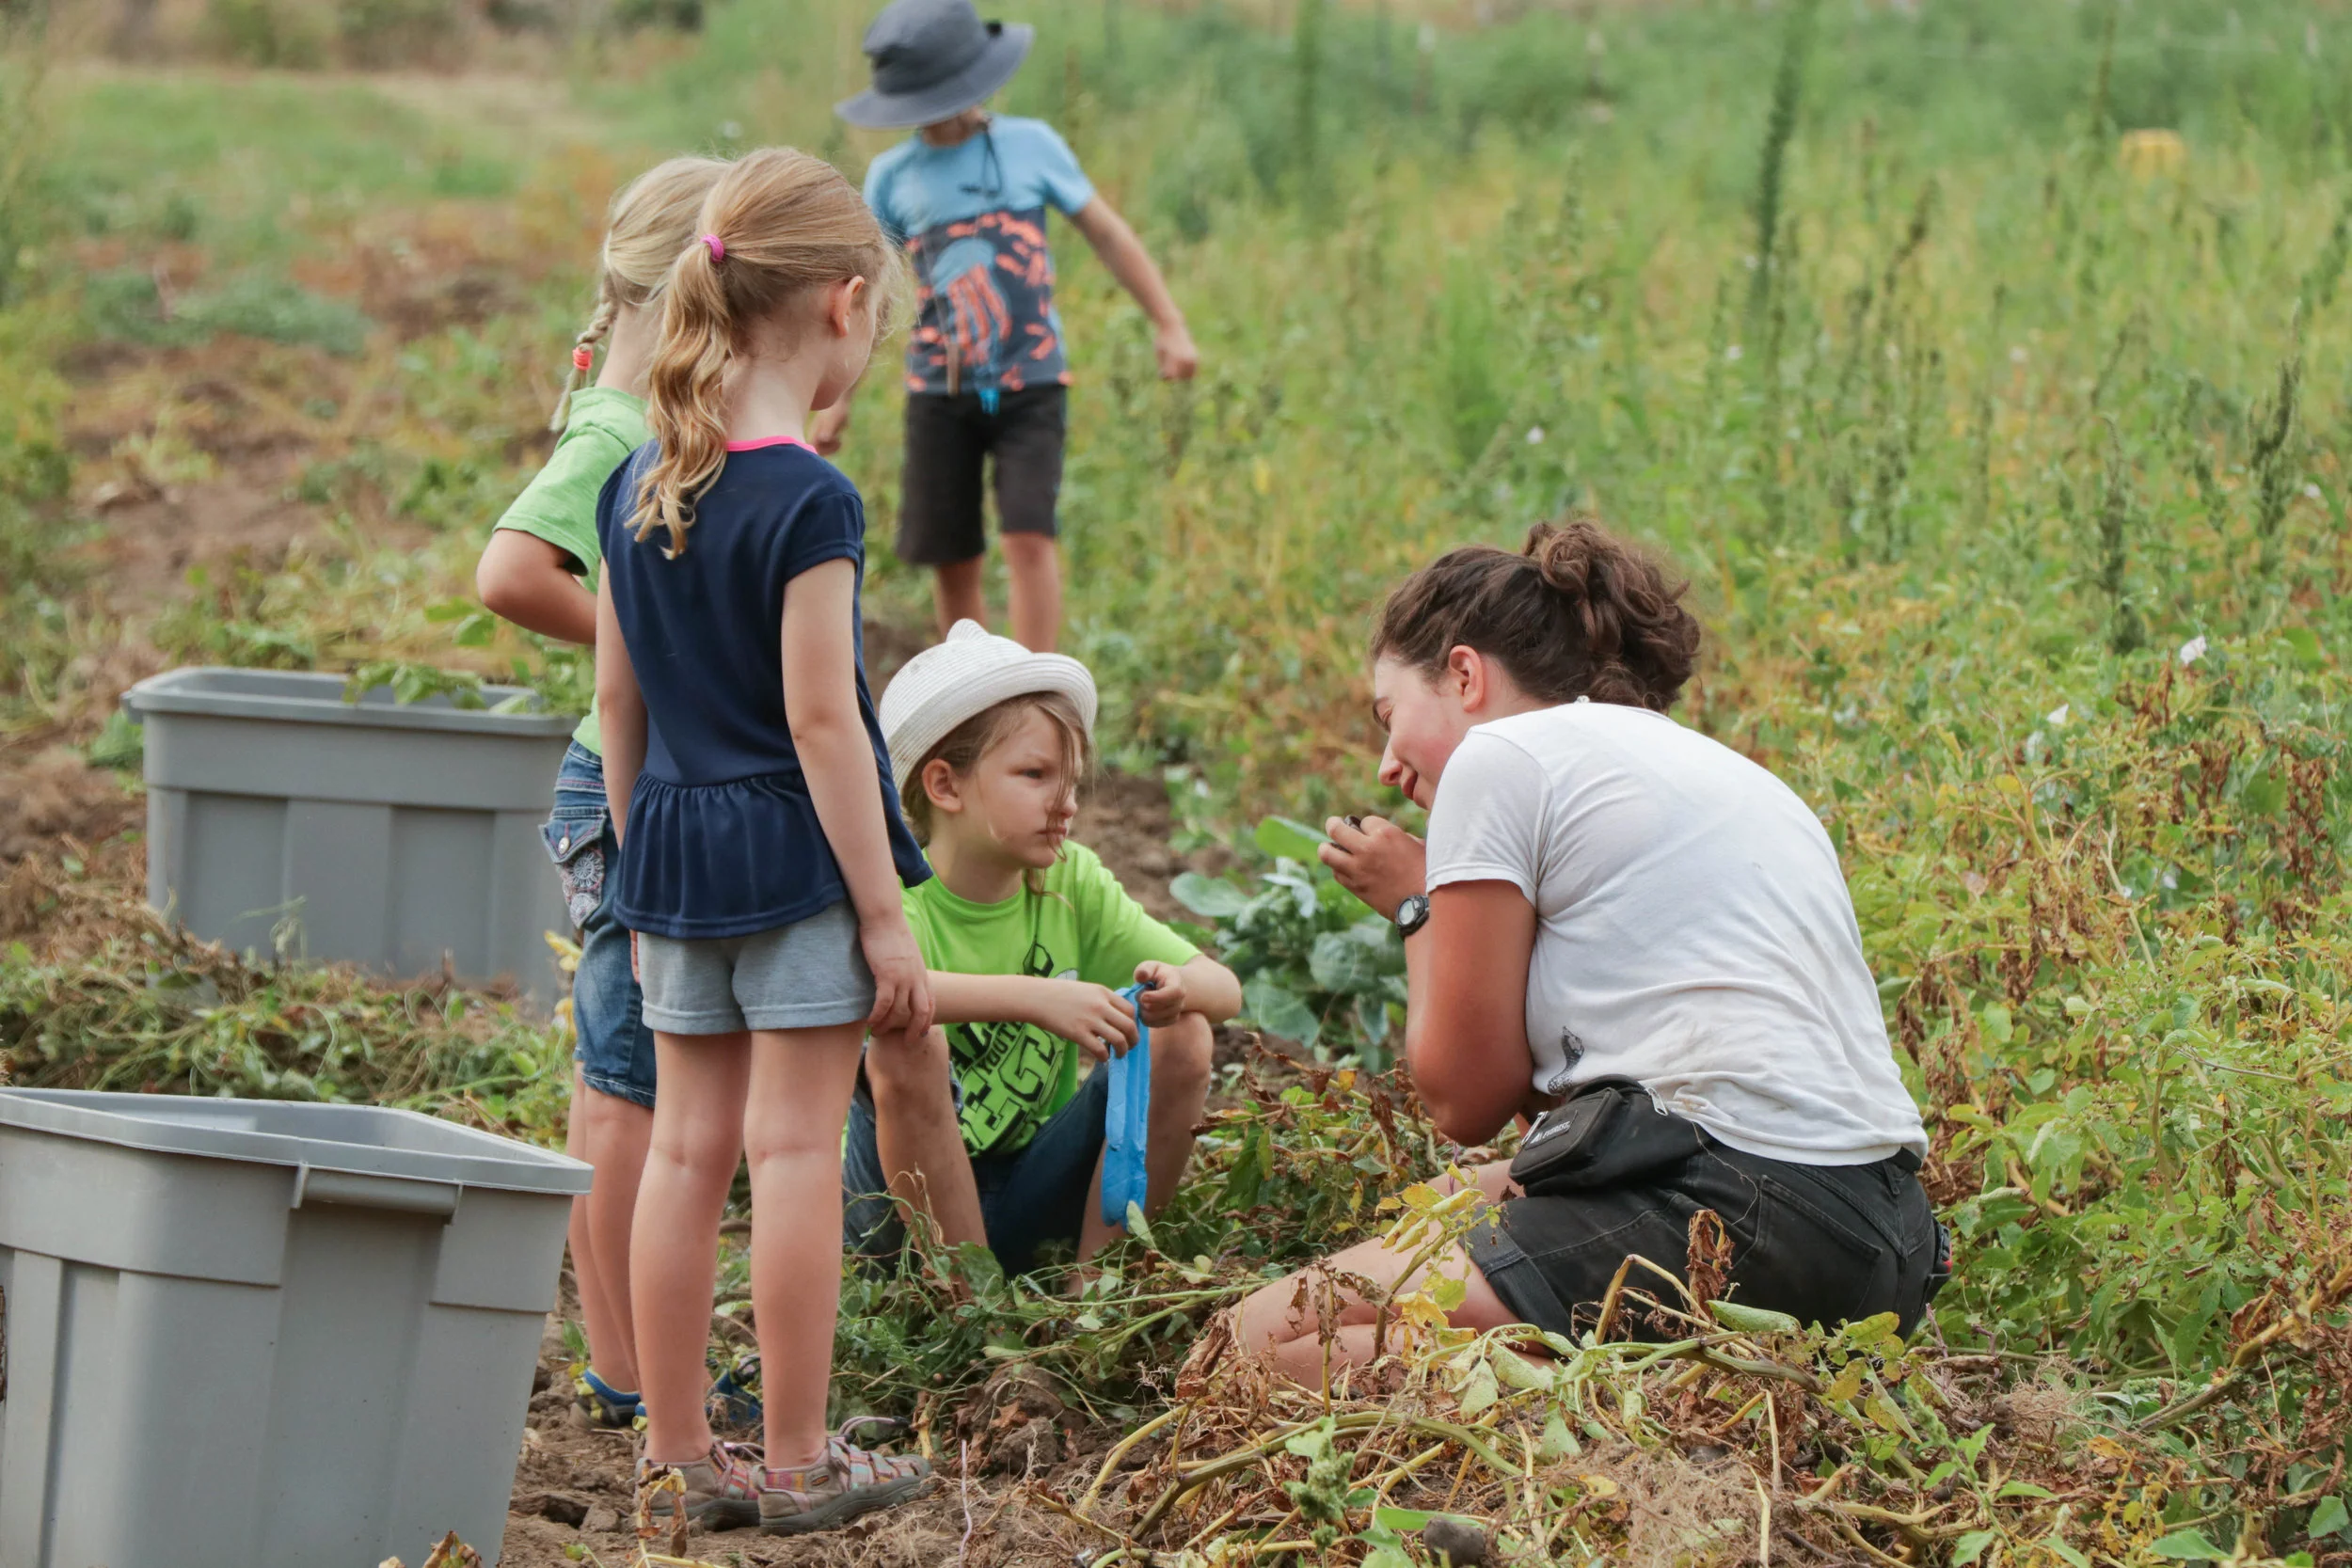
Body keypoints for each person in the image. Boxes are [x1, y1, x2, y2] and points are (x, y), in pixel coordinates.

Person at [1233, 520, 1940, 1383]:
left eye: (1390, 717)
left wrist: (1421, 908)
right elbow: (1566, 1129)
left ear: (1464, 675)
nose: (1386, 765)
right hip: (1888, 1244)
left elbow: (1460, 1100)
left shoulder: (1498, 756)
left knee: (1250, 1354)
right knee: (1471, 1197)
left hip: (1740, 1213)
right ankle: (1598, 1379)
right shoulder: (1715, 768)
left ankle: (1562, 1398)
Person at [595, 147, 935, 1534]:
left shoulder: (635, 482)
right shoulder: (809, 499)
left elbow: (617, 702)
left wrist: (638, 862)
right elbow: (823, 722)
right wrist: (883, 907)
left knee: (687, 1152)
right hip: (790, 853)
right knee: (794, 1150)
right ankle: (796, 1457)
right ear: (846, 307)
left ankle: (679, 1456)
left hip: (668, 850)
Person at [473, 152, 729, 1431]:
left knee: (623, 1077)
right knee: (625, 1081)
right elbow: (511, 569)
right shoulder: (619, 425)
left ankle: (628, 1352)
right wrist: (641, 639)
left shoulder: (638, 414)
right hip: (617, 780)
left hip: (632, 772)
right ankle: (629, 1367)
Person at [843, 621, 1241, 1275]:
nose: (1067, 803)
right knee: (906, 1039)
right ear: (945, 786)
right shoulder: (891, 892)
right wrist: (1036, 998)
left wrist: (1172, 986)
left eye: (1074, 780)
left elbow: (1224, 989)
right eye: (1035, 774)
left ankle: (1099, 1297)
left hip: (1032, 1190)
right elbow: (867, 994)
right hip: (895, 1219)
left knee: (1184, 1031)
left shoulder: (1069, 880)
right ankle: (975, 1317)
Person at [817, 0, 1200, 653]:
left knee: (1029, 533)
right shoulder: (892, 178)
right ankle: (972, 689)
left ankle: (1035, 687)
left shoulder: (1032, 145)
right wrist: (836, 399)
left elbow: (1106, 232)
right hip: (940, 391)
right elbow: (870, 299)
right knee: (952, 550)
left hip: (1032, 382)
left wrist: (1169, 322)